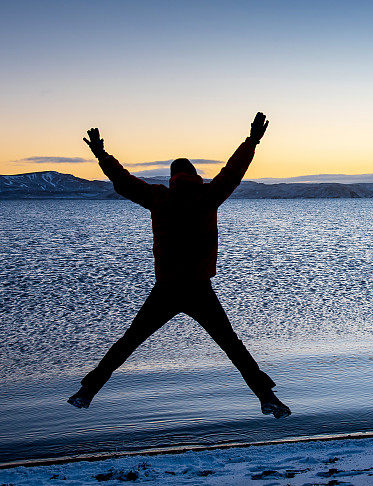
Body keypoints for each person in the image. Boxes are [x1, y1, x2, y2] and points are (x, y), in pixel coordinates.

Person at [68, 112, 290, 419]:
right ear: (194, 175)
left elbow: (123, 182)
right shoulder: (208, 195)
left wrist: (101, 155)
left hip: (168, 288)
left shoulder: (160, 198)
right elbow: (233, 171)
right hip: (199, 288)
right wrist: (252, 140)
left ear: (172, 178)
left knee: (129, 342)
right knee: (232, 347)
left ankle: (86, 393)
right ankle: (268, 398)